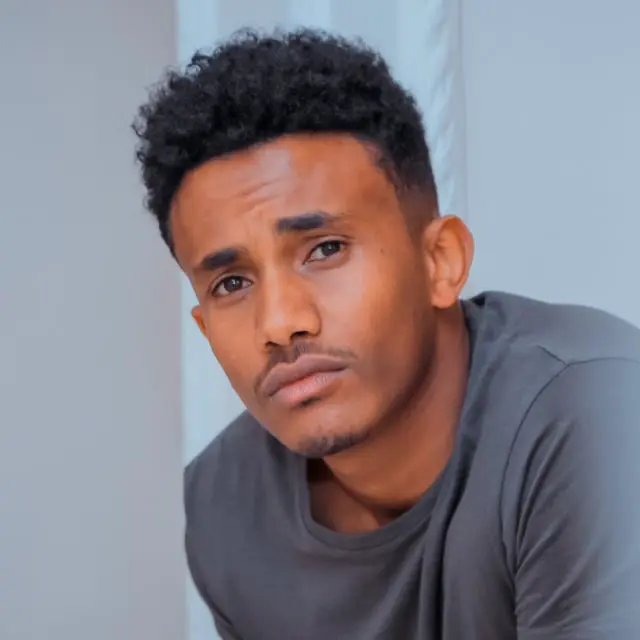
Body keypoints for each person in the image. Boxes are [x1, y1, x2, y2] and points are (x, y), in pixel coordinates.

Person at [133, 28, 640, 639]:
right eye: (231, 284)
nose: (280, 323)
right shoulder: (223, 509)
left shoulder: (597, 414)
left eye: (325, 249)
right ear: (203, 326)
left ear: (440, 262)